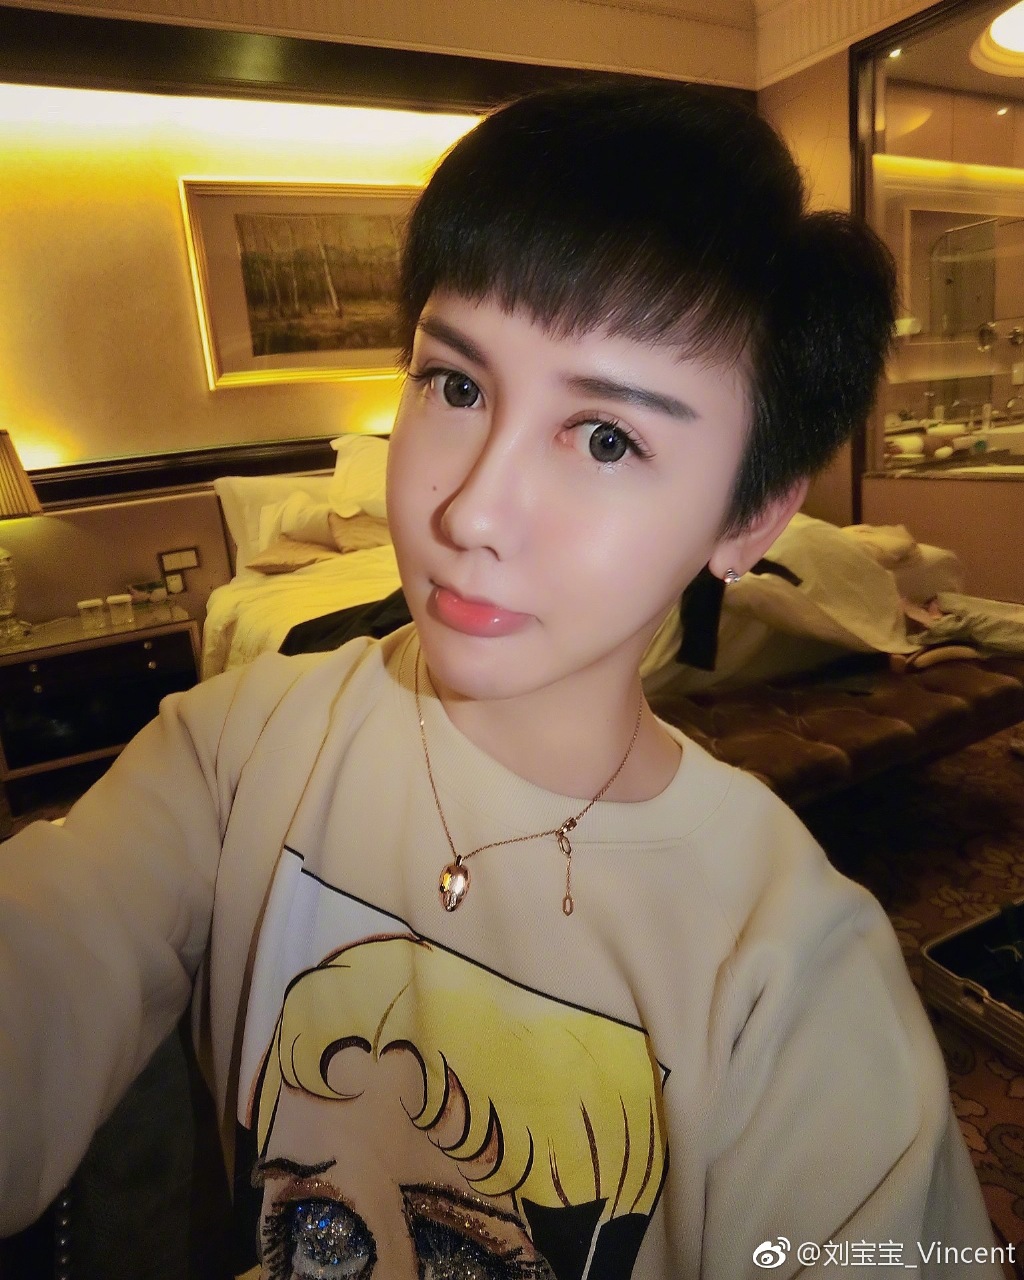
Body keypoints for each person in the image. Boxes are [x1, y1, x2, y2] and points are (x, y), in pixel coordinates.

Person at [0, 80, 1005, 1278]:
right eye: (457, 385)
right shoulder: (236, 746)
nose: (472, 509)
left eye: (607, 437)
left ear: (749, 517)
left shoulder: (791, 975)